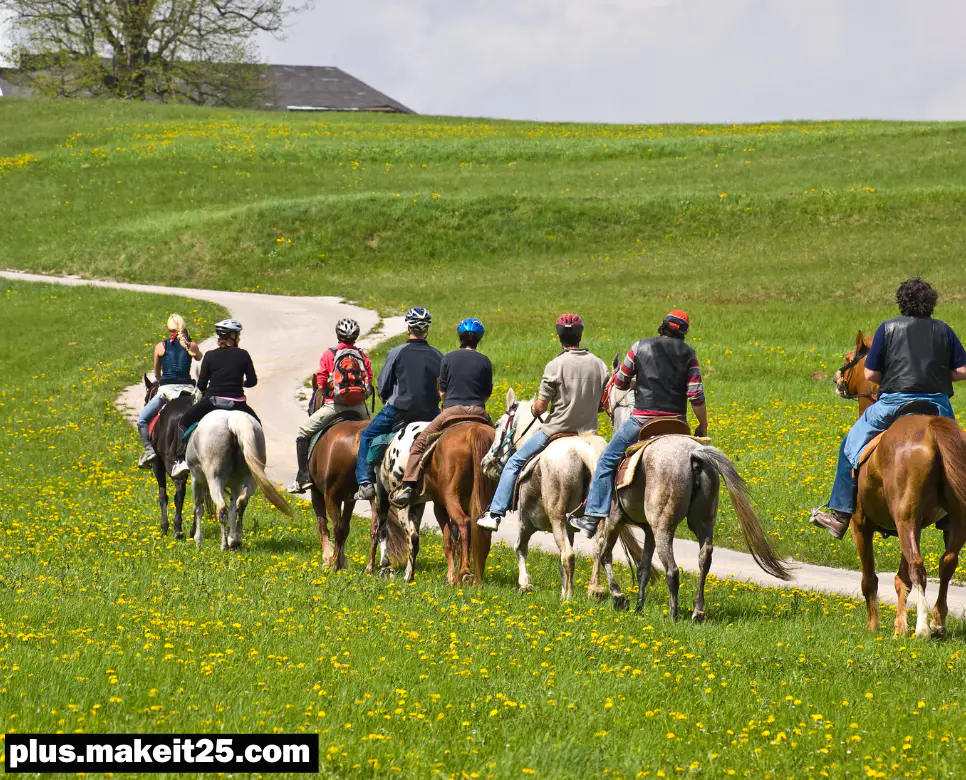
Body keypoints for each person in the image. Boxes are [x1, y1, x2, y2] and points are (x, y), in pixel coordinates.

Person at [810, 277, 966, 539]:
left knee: (850, 445)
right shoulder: (944, 330)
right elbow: (962, 370)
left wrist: (893, 378)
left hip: (894, 404)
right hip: (937, 406)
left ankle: (840, 515)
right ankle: (956, 513)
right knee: (957, 452)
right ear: (931, 303)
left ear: (901, 302)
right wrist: (937, 376)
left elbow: (870, 374)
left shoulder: (888, 328)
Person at [569, 310, 708, 538]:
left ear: (662, 326)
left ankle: (592, 518)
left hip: (644, 420)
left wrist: (641, 380)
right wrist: (702, 425)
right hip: (677, 424)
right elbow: (696, 396)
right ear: (683, 332)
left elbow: (621, 383)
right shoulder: (689, 354)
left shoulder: (639, 347)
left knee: (606, 460)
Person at [478, 314, 609, 532]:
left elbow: (540, 407)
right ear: (580, 335)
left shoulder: (555, 365)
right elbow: (603, 403)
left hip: (556, 431)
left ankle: (495, 513)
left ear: (559, 337)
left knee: (514, 462)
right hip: (589, 435)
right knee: (609, 467)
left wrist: (532, 409)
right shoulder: (599, 365)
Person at [390, 317, 493, 508]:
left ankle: (408, 485)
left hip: (451, 411)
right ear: (478, 339)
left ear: (460, 337)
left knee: (420, 443)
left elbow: (443, 393)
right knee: (499, 447)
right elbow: (486, 394)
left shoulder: (448, 358)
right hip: (479, 412)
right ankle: (504, 489)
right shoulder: (485, 361)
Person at [353, 307, 443, 501]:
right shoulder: (438, 355)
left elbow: (384, 385)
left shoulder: (396, 352)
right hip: (430, 413)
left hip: (399, 410)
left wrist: (385, 397)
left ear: (408, 327)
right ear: (426, 330)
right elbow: (442, 387)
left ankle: (365, 483)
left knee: (367, 435)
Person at [287, 318, 373, 493]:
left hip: (334, 405)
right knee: (374, 436)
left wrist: (327, 392)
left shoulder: (329, 354)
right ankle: (373, 478)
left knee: (303, 432)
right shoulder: (362, 356)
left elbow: (320, 382)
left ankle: (303, 477)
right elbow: (369, 382)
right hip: (359, 407)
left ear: (337, 335)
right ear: (356, 337)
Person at [171, 319, 259, 478]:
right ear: (231, 336)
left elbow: (202, 384)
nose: (239, 338)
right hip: (237, 404)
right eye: (237, 335)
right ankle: (257, 462)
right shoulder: (244, 355)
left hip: (212, 402)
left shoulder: (210, 356)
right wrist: (241, 382)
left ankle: (180, 460)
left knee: (183, 422)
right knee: (257, 424)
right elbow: (253, 381)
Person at [137, 314, 203, 467]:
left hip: (166, 391)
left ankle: (149, 450)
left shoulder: (160, 347)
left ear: (168, 330)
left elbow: (157, 373)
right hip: (187, 391)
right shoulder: (191, 345)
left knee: (142, 420)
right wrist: (189, 343)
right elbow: (199, 357)